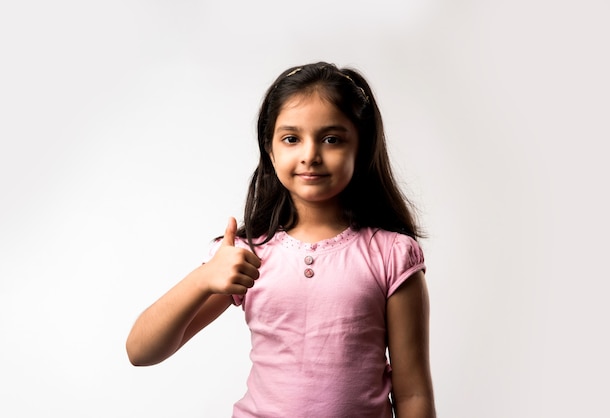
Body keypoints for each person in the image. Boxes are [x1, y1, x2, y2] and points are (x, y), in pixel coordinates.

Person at [126, 62, 436, 417]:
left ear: (361, 148)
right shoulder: (245, 254)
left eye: (331, 139)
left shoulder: (393, 256)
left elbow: (413, 395)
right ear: (270, 150)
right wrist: (203, 278)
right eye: (291, 138)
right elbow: (141, 351)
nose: (310, 155)